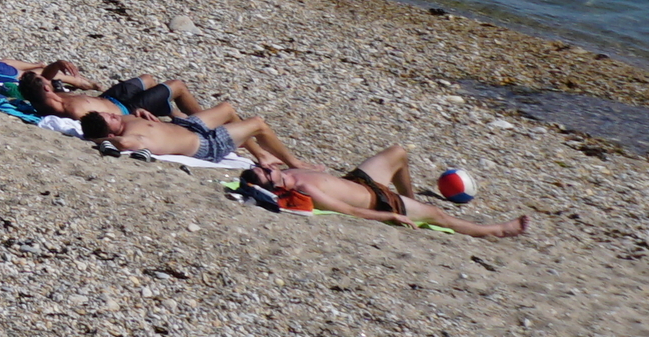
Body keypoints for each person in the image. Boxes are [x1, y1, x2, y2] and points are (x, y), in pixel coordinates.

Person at [246, 145, 533, 237]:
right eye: (267, 171)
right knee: (437, 215)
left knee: (398, 153)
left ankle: (413, 200)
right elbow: (350, 211)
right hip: (380, 200)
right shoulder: (304, 187)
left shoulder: (291, 172)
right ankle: (494, 230)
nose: (270, 166)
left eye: (267, 166)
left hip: (359, 181)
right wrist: (390, 218)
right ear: (274, 184)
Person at [73, 100, 301, 172]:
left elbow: (129, 116)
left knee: (228, 109)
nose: (114, 115)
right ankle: (295, 163)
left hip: (187, 125)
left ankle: (261, 155)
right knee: (258, 124)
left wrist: (139, 113)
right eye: (110, 119)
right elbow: (123, 143)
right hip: (204, 144)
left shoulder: (126, 120)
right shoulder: (133, 138)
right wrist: (97, 141)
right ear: (111, 132)